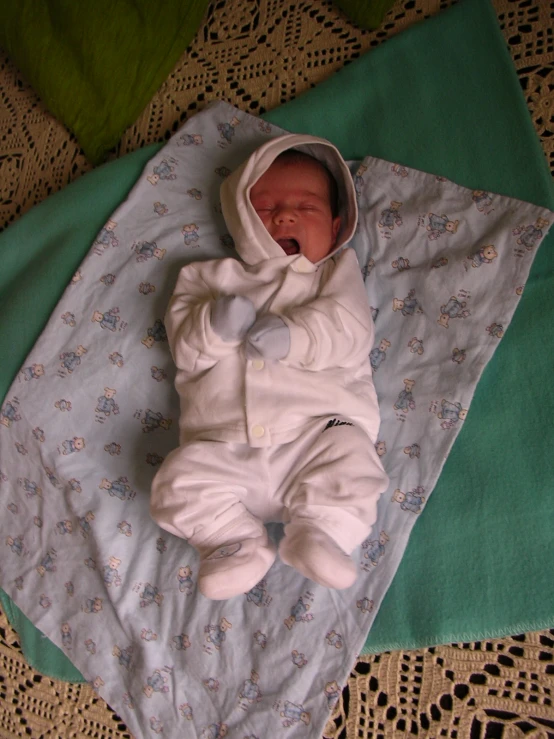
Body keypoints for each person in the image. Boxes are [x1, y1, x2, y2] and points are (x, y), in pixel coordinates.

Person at [150, 133, 388, 600]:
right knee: (176, 481)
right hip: (223, 449)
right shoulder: (205, 279)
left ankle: (321, 531)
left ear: (337, 226)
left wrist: (295, 337)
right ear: (239, 219)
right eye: (264, 207)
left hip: (316, 436)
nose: (285, 215)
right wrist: (214, 325)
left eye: (307, 205)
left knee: (352, 460)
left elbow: (350, 330)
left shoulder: (334, 275)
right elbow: (185, 348)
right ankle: (233, 541)